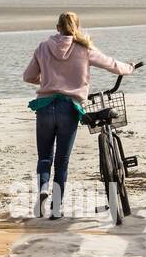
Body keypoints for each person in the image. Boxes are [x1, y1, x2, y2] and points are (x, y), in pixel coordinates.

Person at [22, 11, 136, 218]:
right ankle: (56, 209)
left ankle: (43, 189)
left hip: (45, 107)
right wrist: (129, 68)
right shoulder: (84, 48)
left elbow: (28, 76)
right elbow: (111, 64)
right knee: (62, 160)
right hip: (69, 108)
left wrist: (47, 81)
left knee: (45, 156)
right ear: (77, 28)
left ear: (57, 28)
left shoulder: (43, 47)